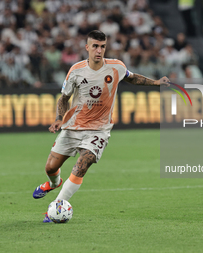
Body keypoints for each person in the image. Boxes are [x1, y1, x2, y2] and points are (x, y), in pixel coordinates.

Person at [32, 30, 169, 222]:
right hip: (73, 127)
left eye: (102, 46)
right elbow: (64, 98)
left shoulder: (116, 67)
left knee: (83, 163)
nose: (99, 50)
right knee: (51, 167)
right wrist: (59, 118)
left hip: (99, 130)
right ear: (87, 47)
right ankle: (53, 183)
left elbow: (131, 77)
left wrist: (156, 83)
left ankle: (56, 205)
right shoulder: (76, 70)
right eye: (95, 46)